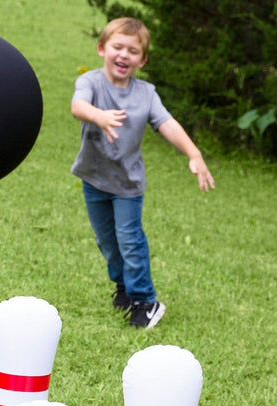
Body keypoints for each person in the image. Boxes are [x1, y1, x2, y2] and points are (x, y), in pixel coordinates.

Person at [71, 17, 215, 329]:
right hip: (94, 179)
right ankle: (123, 288)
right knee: (107, 241)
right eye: (117, 47)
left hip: (127, 185)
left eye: (133, 51)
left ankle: (145, 300)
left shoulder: (146, 94)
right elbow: (78, 107)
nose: (124, 55)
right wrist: (101, 117)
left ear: (143, 59)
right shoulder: (91, 83)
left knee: (130, 239)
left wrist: (194, 153)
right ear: (102, 49)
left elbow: (167, 123)